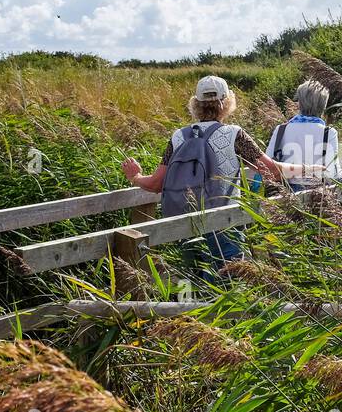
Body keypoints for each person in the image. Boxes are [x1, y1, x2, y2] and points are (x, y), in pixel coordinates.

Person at [122, 75, 312, 281]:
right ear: (227, 103)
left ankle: (190, 311)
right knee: (229, 283)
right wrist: (308, 169)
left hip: (186, 225)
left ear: (196, 104)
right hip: (225, 224)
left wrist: (136, 176)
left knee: (193, 282)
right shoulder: (234, 135)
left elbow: (156, 184)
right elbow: (272, 171)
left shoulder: (178, 137)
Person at [260, 80, 341, 192]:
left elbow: (268, 165)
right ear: (323, 105)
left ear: (300, 103)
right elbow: (333, 173)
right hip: (317, 194)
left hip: (283, 193)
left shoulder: (281, 130)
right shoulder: (329, 133)